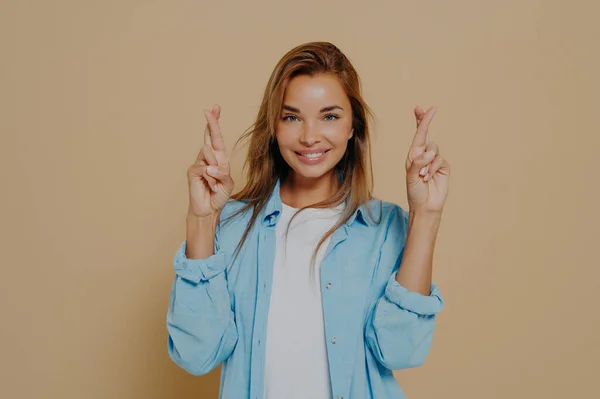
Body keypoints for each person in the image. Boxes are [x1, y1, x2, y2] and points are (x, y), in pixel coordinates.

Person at [166, 42, 450, 399]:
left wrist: (426, 215)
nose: (310, 136)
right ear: (273, 126)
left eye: (329, 116)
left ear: (352, 127)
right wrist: (201, 219)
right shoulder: (233, 226)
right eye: (292, 117)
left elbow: (401, 352)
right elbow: (196, 354)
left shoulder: (385, 227)